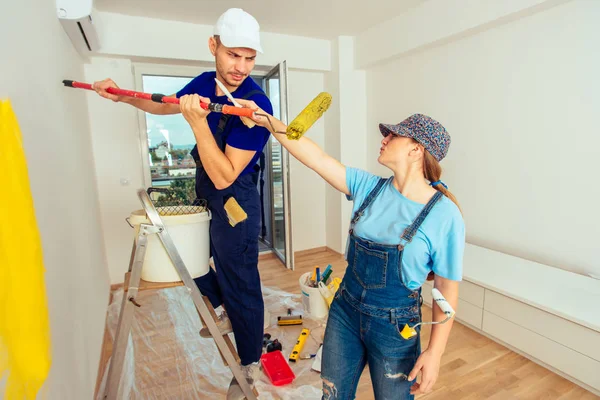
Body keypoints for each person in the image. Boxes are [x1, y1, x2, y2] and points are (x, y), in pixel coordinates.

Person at [92, 8, 273, 399]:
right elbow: (165, 105)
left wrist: (195, 123)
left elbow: (227, 174)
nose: (241, 66)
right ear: (213, 46)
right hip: (207, 190)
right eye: (232, 55)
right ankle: (224, 308)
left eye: (249, 57)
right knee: (197, 257)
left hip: (235, 199)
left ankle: (249, 364)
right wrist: (122, 95)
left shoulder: (257, 106)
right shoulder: (207, 82)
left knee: (240, 277)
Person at [237, 100, 465, 399]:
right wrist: (269, 121)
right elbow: (315, 157)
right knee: (332, 394)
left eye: (393, 136)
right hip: (345, 311)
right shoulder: (368, 187)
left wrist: (434, 353)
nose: (383, 139)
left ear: (416, 150)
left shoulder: (444, 214)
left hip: (395, 327)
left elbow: (446, 289)